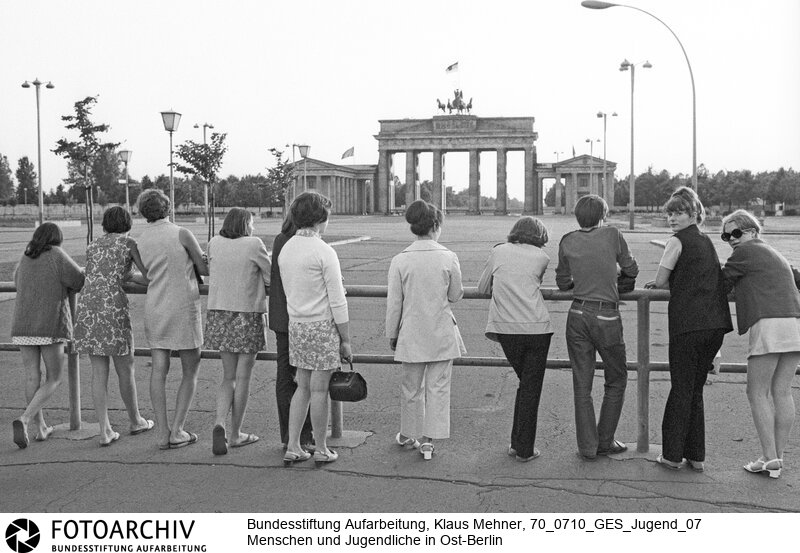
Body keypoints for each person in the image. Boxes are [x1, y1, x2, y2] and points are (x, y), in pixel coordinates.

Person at [645, 187, 733, 471]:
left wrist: (657, 284)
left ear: (693, 213)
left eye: (678, 212)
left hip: (688, 324)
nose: (672, 218)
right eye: (669, 213)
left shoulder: (676, 241)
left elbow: (660, 281)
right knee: (695, 390)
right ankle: (696, 456)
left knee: (681, 389)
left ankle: (671, 455)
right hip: (715, 324)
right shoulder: (706, 241)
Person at [555, 194, 638, 460]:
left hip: (577, 313)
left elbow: (562, 281)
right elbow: (631, 268)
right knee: (616, 378)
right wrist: (614, 276)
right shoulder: (613, 234)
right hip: (606, 317)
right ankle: (605, 439)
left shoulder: (567, 240)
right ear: (603, 216)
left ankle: (587, 446)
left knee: (582, 383)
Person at [720, 209, 800, 479]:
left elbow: (719, 281)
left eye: (736, 233)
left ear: (752, 231)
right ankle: (776, 457)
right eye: (726, 235)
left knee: (756, 392)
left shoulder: (746, 251)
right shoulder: (772, 252)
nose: (731, 239)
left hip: (768, 323)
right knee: (782, 391)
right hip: (793, 323)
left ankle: (768, 457)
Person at [386, 199, 465, 460]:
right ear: (435, 226)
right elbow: (455, 295)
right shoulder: (448, 256)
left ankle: (410, 433)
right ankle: (429, 441)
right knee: (438, 387)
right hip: (441, 331)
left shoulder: (400, 260)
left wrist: (392, 334)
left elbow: (394, 303)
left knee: (411, 388)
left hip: (411, 331)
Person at [279, 191, 351, 466]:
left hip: (297, 324)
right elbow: (337, 301)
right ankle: (321, 447)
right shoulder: (324, 252)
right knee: (320, 390)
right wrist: (345, 339)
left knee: (303, 388)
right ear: (321, 218)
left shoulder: (287, 249)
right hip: (321, 326)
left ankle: (294, 445)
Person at [74, 207, 153, 446]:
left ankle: (105, 429)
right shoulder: (129, 243)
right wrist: (129, 277)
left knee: (98, 371)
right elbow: (148, 276)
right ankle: (135, 419)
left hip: (88, 305)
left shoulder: (93, 245)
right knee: (125, 367)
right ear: (127, 222)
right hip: (112, 306)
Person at [136, 189, 208, 450]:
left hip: (155, 305)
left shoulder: (141, 239)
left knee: (159, 370)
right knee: (191, 370)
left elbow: (145, 275)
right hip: (183, 304)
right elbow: (203, 268)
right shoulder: (182, 233)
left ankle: (162, 429)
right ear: (167, 207)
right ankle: (178, 429)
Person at [478, 217, 553, 462]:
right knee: (531, 388)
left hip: (508, 329)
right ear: (539, 236)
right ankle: (523, 449)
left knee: (525, 385)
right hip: (538, 328)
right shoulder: (543, 258)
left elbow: (482, 288)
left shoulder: (498, 251)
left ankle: (518, 444)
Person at [11, 223, 85, 448]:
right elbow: (78, 281)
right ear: (57, 239)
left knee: (32, 376)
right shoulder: (56, 254)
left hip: (23, 326)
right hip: (48, 326)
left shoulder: (27, 255)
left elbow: (16, 281)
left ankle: (40, 427)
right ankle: (24, 419)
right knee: (54, 377)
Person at [206, 208, 271, 455]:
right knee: (243, 378)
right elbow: (271, 274)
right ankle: (235, 434)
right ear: (246, 224)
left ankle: (219, 422)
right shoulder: (254, 244)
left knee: (228, 376)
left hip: (220, 313)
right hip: (247, 314)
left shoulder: (214, 243)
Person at [268, 212, 313, 451]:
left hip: (280, 316)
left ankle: (288, 434)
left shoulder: (279, 240)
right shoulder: (301, 243)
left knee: (285, 376)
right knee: (306, 379)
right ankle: (303, 434)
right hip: (300, 317)